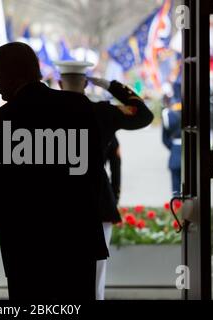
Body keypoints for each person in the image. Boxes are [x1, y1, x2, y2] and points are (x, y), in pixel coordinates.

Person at [0, 42, 109, 300]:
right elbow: (94, 172)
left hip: (25, 245)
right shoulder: (78, 108)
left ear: (15, 74)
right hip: (76, 240)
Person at [55, 61, 152, 300]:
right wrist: (111, 85)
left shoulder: (47, 113)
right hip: (96, 198)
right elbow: (143, 115)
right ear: (86, 83)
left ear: (59, 83)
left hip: (56, 200)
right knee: (95, 275)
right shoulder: (103, 112)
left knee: (58, 272)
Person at [161, 93, 182, 196]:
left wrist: (173, 148)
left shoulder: (168, 114)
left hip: (175, 150)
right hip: (191, 153)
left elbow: (164, 139)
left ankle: (177, 207)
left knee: (176, 190)